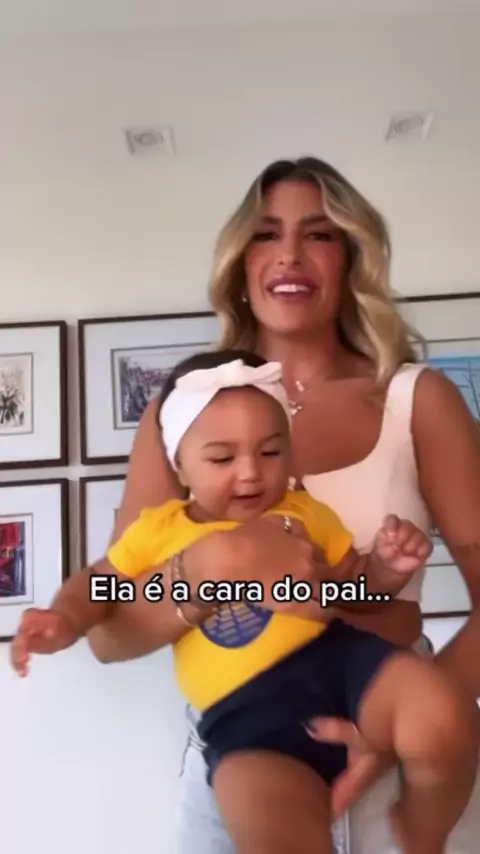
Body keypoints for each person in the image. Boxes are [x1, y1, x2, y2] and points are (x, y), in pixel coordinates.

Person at [27, 156, 480, 853]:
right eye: (267, 234)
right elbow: (113, 634)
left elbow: (361, 588)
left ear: (352, 257)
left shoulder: (417, 398)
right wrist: (208, 570)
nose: (290, 254)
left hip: (390, 717)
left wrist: (408, 723)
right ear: (241, 262)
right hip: (244, 743)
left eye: (319, 233)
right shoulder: (178, 415)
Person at [10, 350, 478, 854]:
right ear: (180, 465)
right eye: (222, 459)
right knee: (273, 833)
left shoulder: (304, 513)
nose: (251, 473)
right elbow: (100, 587)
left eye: (271, 452)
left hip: (343, 666)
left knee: (444, 717)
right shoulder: (159, 534)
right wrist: (64, 617)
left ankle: (421, 832)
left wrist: (385, 568)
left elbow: (353, 590)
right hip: (246, 718)